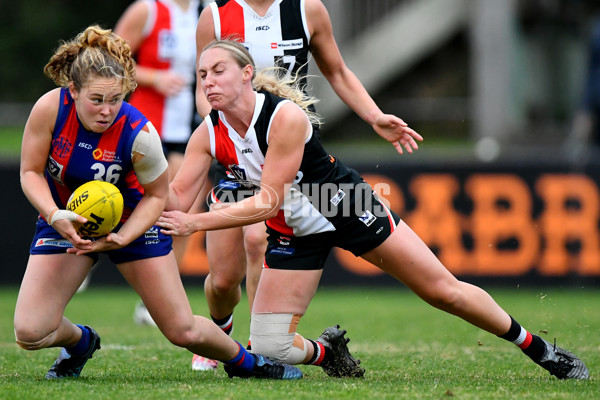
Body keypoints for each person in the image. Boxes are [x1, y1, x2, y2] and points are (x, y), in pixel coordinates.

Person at [157, 39, 590, 380]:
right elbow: (174, 194)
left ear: (247, 75)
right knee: (270, 347)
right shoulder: (208, 132)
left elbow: (267, 199)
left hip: (344, 203)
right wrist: (136, 187)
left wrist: (194, 221)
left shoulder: (283, 117)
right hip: (294, 228)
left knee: (442, 291)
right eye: (201, 74)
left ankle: (537, 347)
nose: (208, 81)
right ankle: (329, 352)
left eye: (218, 71)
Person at [14, 26, 302, 381]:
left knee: (183, 331)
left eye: (115, 99)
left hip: (137, 222)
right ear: (72, 91)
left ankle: (250, 363)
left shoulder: (140, 133)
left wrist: (124, 236)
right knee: (29, 332)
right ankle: (81, 341)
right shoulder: (50, 109)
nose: (106, 110)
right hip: (66, 219)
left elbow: (157, 196)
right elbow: (30, 172)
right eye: (96, 99)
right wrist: (55, 215)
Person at [191, 0, 421, 371]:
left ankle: (257, 350)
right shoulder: (215, 15)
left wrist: (375, 116)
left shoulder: (307, 9)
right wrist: (230, 134)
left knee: (255, 239)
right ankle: (222, 328)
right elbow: (202, 86)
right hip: (237, 152)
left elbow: (339, 72)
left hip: (288, 155)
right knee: (221, 281)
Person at [114, 0, 205, 329]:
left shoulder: (206, 11)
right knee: (117, 199)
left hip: (187, 130)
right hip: (141, 126)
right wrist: (153, 76)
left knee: (180, 210)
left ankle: (155, 299)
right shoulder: (148, 10)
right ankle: (80, 259)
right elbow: (109, 61)